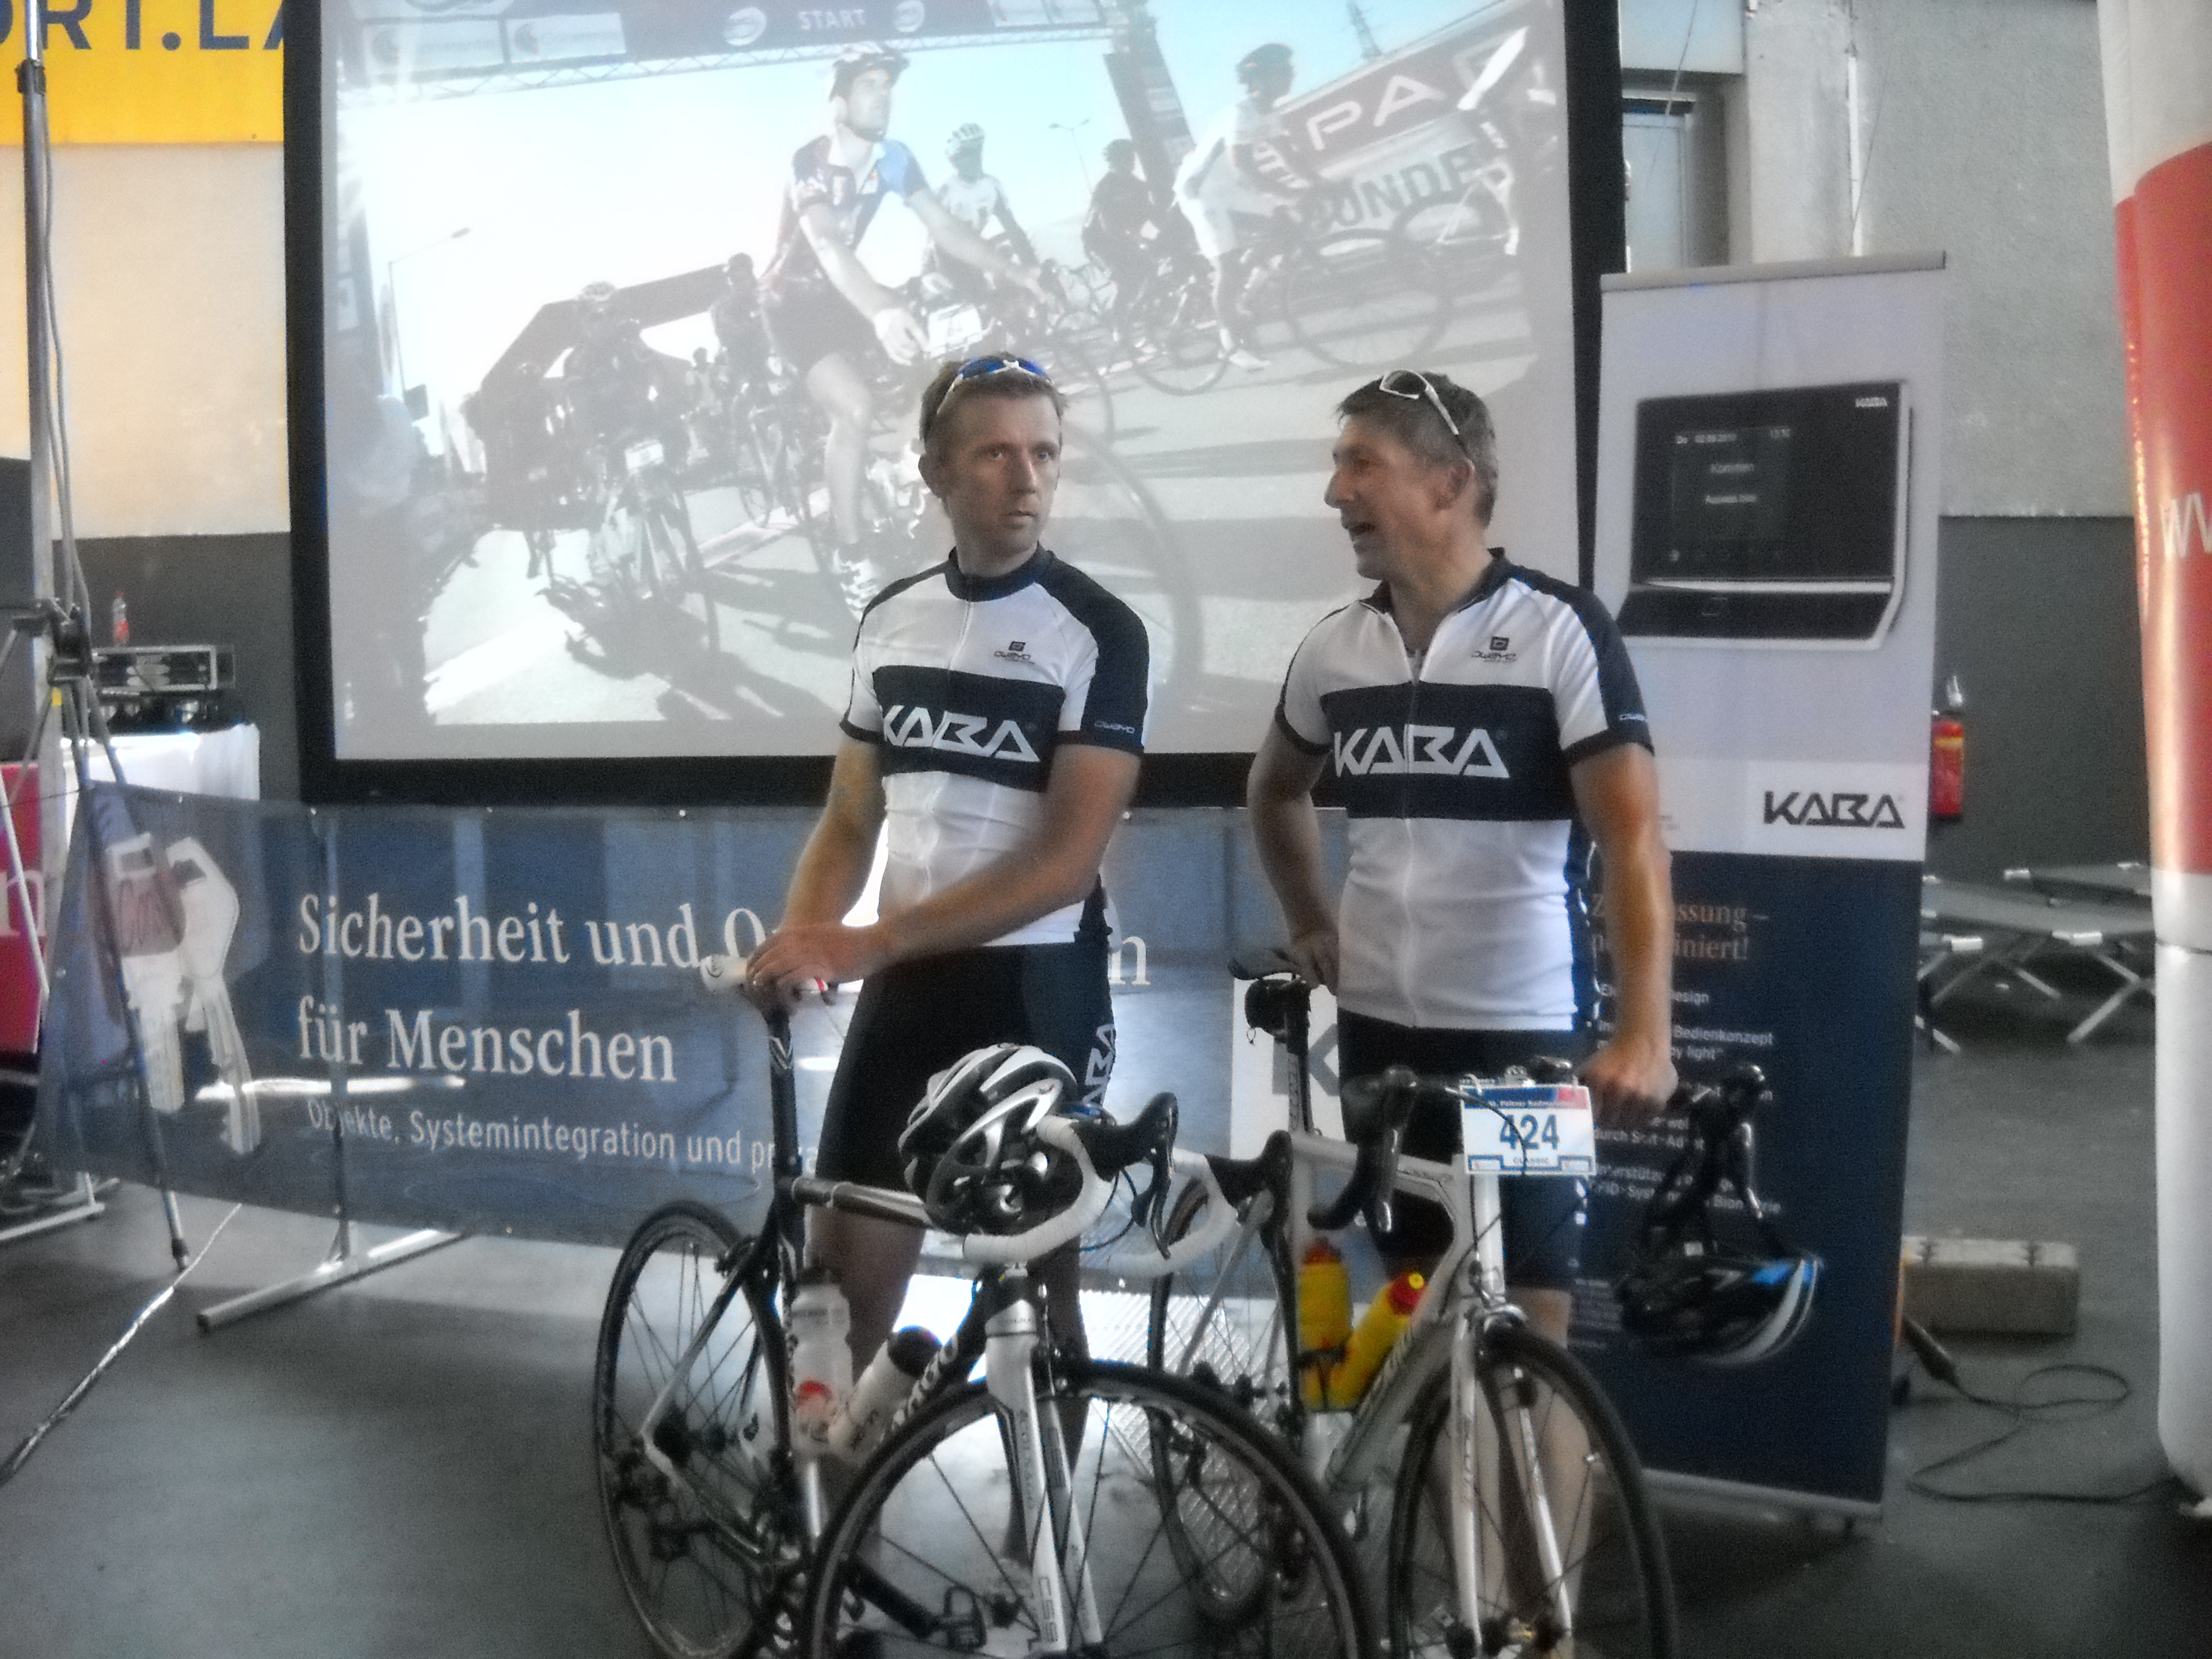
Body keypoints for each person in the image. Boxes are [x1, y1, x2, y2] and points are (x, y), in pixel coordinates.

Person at [1247, 370, 1676, 1350]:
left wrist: (1646, 1035)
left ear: (1449, 483)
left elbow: (1633, 839)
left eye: (1362, 464)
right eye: (1338, 466)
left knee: (1532, 1321)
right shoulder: (1335, 648)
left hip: (1521, 1041)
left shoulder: (1558, 631)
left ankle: (1518, 1465)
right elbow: (1273, 789)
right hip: (1378, 1039)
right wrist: (1309, 918)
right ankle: (1438, 1463)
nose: (1336, 493)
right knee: (1421, 1308)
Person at [747, 354, 1150, 1380]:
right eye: (996, 454)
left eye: (1044, 453)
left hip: (1035, 991)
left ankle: (1043, 1500)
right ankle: (824, 1488)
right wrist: (806, 941)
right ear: (934, 470)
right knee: (836, 1308)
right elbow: (850, 818)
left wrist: (865, 942)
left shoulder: (1101, 631)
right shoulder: (891, 616)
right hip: (908, 990)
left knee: (1039, 1313)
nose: (1027, 478)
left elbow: (1065, 865)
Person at [760, 47, 1048, 616]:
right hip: (791, 303)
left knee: (937, 375)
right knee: (855, 408)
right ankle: (850, 552)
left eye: (887, 85)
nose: (884, 95)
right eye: (869, 85)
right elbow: (827, 244)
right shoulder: (811, 161)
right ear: (839, 102)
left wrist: (1018, 272)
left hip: (846, 294)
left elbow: (945, 227)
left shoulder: (893, 158)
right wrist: (880, 310)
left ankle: (907, 474)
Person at [1171, 42, 1324, 372]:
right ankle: (1230, 341)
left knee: (1285, 227)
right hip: (1201, 191)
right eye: (1282, 70)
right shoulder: (1240, 113)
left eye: (1290, 69)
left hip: (1230, 188)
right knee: (1228, 268)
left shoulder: (1269, 113)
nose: (1290, 74)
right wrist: (1291, 193)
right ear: (1260, 79)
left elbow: (1289, 157)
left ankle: (1242, 294)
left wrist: (1320, 183)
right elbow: (1245, 169)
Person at [931, 124, 1037, 295]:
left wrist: (1031, 264)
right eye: (968, 153)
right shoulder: (948, 192)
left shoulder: (992, 186)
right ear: (954, 160)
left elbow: (1012, 228)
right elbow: (936, 239)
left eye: (978, 151)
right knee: (980, 295)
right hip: (949, 257)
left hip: (977, 249)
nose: (976, 158)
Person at [1083, 138, 1164, 344]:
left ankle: (1146, 320)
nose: (1131, 162)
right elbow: (1107, 225)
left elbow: (1152, 214)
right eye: (1126, 159)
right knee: (1123, 283)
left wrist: (1167, 232)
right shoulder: (1105, 187)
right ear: (1114, 163)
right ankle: (1118, 330)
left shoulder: (1137, 185)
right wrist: (1136, 239)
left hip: (1123, 240)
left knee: (1149, 272)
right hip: (1099, 243)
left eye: (1132, 158)